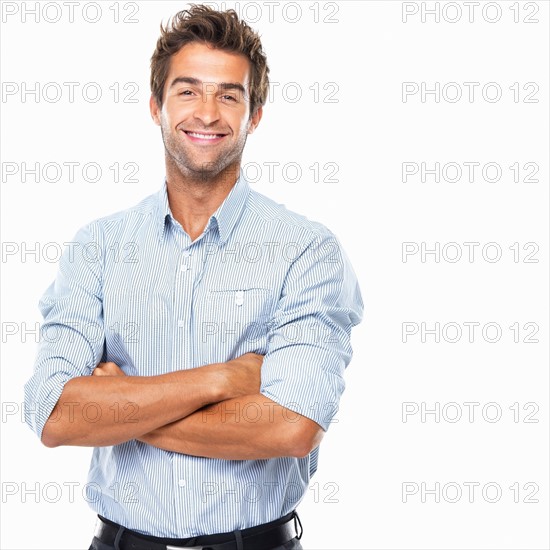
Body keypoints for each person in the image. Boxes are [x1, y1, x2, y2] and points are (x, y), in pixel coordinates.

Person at [24, 5, 363, 550]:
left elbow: (291, 428)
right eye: (187, 91)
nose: (207, 113)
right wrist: (223, 380)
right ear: (156, 105)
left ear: (254, 115)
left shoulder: (307, 251)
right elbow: (55, 415)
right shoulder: (98, 247)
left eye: (229, 95)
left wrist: (120, 409)